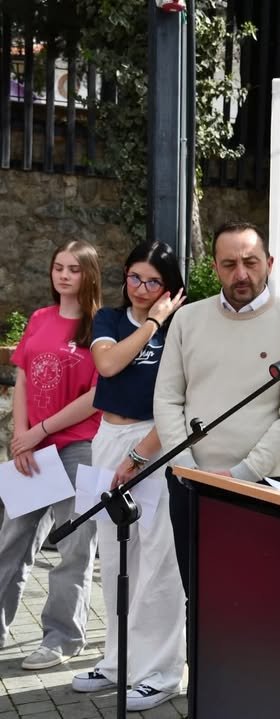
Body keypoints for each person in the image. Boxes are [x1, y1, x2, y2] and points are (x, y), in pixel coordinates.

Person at [154, 220, 280, 594]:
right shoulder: (187, 319)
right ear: (214, 267)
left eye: (250, 262)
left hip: (262, 487)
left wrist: (244, 474)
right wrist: (187, 468)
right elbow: (167, 398)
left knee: (257, 600)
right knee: (198, 600)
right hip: (190, 484)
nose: (241, 274)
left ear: (269, 263)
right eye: (229, 264)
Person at [70, 241, 187, 710]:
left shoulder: (181, 329)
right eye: (135, 277)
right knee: (115, 556)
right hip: (107, 438)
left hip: (156, 442)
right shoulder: (110, 320)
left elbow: (180, 402)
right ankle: (117, 661)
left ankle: (159, 672)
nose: (141, 288)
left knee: (158, 560)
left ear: (169, 287)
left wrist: (143, 453)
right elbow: (108, 364)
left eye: (154, 281)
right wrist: (152, 322)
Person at [0, 240, 102, 670]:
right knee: (10, 541)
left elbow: (97, 396)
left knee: (75, 549)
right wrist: (20, 435)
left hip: (80, 448)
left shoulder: (102, 326)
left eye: (73, 269)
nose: (63, 275)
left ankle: (62, 638)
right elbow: (23, 377)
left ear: (89, 275)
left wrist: (39, 432)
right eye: (58, 267)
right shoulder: (40, 318)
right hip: (33, 451)